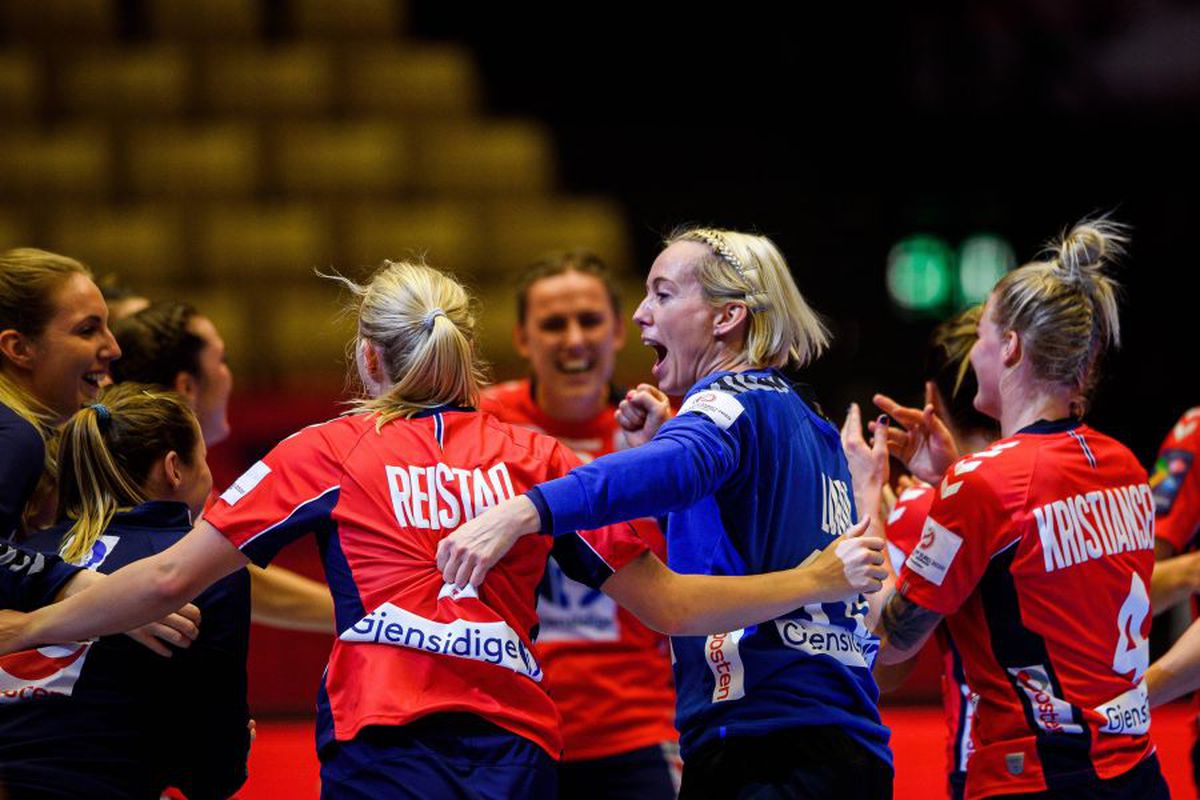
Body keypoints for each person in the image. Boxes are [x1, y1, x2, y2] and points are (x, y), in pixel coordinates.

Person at [0, 259, 884, 799]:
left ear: (370, 359)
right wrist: (815, 579)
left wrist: (27, 626)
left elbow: (163, 582)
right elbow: (669, 608)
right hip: (517, 748)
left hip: (381, 742)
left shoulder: (327, 448)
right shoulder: (537, 458)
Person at [439, 228, 895, 799]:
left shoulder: (726, 399)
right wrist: (667, 442)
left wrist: (527, 509)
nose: (639, 315)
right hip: (849, 743)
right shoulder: (815, 426)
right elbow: (736, 541)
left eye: (662, 294)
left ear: (727, 317)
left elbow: (679, 468)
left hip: (762, 745)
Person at [871, 219, 1168, 799]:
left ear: (1009, 347)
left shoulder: (984, 485)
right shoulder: (1125, 465)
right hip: (1137, 772)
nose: (974, 352)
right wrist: (946, 481)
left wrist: (871, 512)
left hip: (1036, 780)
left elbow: (889, 643)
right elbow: (1042, 574)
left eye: (981, 334)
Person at [481, 250, 679, 798]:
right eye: (552, 324)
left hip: (636, 729)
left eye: (589, 320)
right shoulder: (478, 427)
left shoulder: (670, 435)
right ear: (522, 338)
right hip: (505, 725)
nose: (573, 339)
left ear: (619, 330)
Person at [0, 383, 250, 799]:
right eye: (203, 460)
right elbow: (214, 775)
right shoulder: (198, 566)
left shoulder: (21, 556)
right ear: (174, 468)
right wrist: (234, 740)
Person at [846, 305, 999, 800]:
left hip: (988, 758)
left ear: (931, 397)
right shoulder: (1083, 467)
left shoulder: (923, 507)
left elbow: (888, 664)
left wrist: (878, 515)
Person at [112, 300, 334, 632]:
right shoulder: (166, 481)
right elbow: (234, 579)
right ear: (187, 386)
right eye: (222, 360)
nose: (228, 374)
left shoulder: (142, 461)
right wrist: (363, 613)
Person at [0, 248, 121, 539]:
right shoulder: (15, 437)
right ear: (19, 348)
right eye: (87, 330)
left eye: (107, 327)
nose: (114, 349)